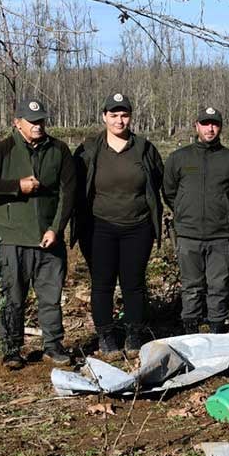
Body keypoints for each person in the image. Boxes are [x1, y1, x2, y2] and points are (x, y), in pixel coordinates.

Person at [0, 98, 76, 369]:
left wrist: (56, 228)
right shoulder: (3, 149)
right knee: (13, 297)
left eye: (41, 121)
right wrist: (16, 186)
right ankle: (12, 350)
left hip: (48, 241)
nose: (38, 126)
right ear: (18, 123)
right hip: (12, 240)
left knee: (51, 297)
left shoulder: (58, 150)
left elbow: (68, 192)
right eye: (31, 121)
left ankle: (53, 345)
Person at [72, 93, 165, 360]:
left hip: (138, 227)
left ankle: (134, 334)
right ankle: (106, 336)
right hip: (99, 227)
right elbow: (74, 185)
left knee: (133, 284)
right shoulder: (90, 149)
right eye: (113, 115)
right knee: (102, 284)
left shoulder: (144, 149)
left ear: (130, 117)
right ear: (104, 117)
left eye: (124, 115)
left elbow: (157, 180)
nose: (119, 120)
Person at [163, 107, 229, 335]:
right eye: (205, 124)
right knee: (191, 286)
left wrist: (223, 211)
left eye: (214, 124)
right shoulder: (179, 158)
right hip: (188, 235)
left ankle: (216, 329)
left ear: (220, 127)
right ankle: (190, 328)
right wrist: (183, 211)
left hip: (219, 236)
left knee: (218, 286)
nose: (210, 128)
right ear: (196, 125)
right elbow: (169, 191)